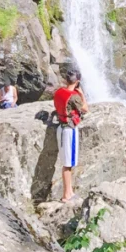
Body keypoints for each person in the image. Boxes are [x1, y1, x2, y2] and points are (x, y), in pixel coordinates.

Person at [52, 71, 87, 202]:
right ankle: (67, 195)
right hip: (69, 130)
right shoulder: (74, 97)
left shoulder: (59, 92)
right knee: (68, 163)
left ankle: (70, 191)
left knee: (67, 162)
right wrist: (82, 94)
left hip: (61, 127)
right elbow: (85, 108)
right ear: (77, 82)